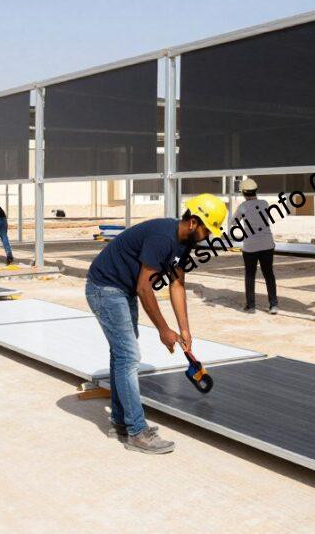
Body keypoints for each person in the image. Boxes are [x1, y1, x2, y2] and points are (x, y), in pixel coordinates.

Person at [85, 193, 226, 455]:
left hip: (122, 290)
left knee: (122, 355)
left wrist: (184, 329)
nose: (208, 236)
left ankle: (121, 422)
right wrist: (163, 329)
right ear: (194, 222)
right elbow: (144, 288)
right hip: (105, 288)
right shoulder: (163, 238)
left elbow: (177, 284)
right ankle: (137, 432)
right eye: (208, 229)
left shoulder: (184, 244)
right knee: (128, 356)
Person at [230, 178, 278, 314]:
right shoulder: (265, 203)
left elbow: (233, 222)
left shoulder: (243, 207)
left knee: (250, 275)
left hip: (250, 247)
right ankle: (273, 305)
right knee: (269, 274)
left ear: (243, 193)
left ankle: (251, 307)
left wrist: (239, 209)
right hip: (267, 244)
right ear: (255, 190)